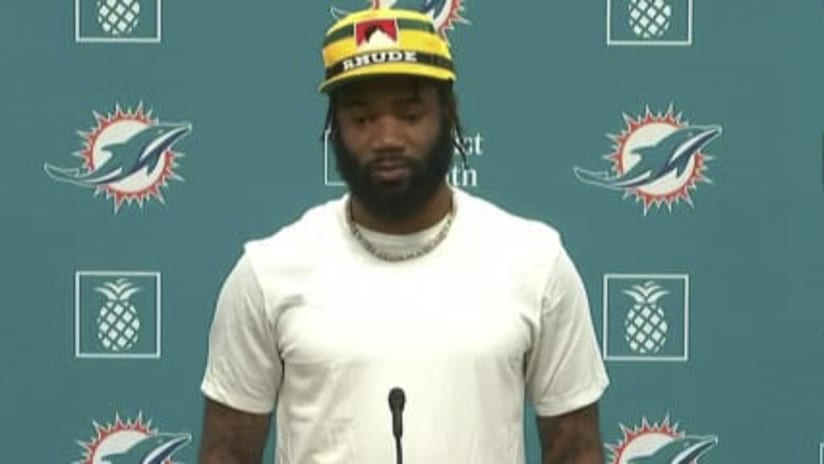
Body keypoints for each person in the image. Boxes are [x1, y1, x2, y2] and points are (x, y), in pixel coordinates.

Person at [199, 7, 609, 464]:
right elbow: (226, 453)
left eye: (410, 113)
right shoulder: (268, 271)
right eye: (362, 118)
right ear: (334, 126)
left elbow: (576, 451)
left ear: (448, 115)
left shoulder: (534, 261)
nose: (387, 137)